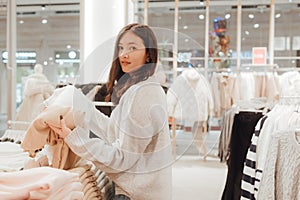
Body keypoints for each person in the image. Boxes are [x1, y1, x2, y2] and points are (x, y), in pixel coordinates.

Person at [49, 23, 173, 200]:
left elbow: (122, 159)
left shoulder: (145, 93)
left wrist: (76, 139)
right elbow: (115, 131)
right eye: (121, 48)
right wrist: (84, 110)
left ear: (148, 55)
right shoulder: (139, 88)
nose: (124, 54)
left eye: (133, 48)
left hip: (137, 195)